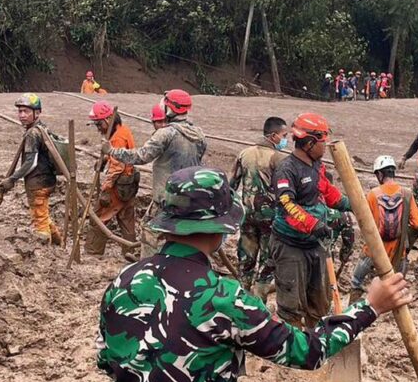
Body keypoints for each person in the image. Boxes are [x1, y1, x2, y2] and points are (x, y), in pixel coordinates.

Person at [97, 166, 412, 382]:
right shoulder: (222, 298)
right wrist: (371, 307)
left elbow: (107, 361)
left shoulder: (124, 282)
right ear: (221, 229)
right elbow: (307, 351)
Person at [270, 112, 353, 327]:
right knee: (291, 306)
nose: (325, 147)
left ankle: (317, 345)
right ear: (309, 143)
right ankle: (292, 352)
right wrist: (313, 224)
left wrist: (351, 203)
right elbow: (287, 205)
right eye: (322, 142)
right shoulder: (286, 169)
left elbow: (325, 190)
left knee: (320, 303)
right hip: (291, 245)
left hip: (315, 244)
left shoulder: (317, 165)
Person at [104, 89, 207, 255]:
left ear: (170, 109)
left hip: (167, 197)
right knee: (181, 236)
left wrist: (112, 151)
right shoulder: (200, 135)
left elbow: (141, 156)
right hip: (190, 197)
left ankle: (149, 267)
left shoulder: (165, 134)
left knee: (151, 232)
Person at [230, 116, 289, 298]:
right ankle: (258, 306)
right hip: (270, 219)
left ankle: (240, 302)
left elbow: (232, 185)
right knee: (267, 263)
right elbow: (285, 192)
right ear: (273, 136)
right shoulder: (279, 159)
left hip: (247, 215)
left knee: (245, 261)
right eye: (284, 135)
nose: (285, 139)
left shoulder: (244, 154)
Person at [349, 155, 418, 303]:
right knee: (398, 286)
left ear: (379, 174)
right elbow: (417, 223)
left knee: (356, 281)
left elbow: (363, 221)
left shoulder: (373, 194)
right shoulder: (406, 193)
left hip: (373, 249)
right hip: (398, 251)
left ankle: (352, 314)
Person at [0, 93, 63, 245]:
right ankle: (60, 244)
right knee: (44, 216)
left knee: (40, 223)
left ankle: (44, 254)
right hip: (48, 180)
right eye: (20, 111)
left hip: (38, 184)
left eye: (26, 111)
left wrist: (12, 179)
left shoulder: (33, 133)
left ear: (37, 113)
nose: (22, 115)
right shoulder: (42, 128)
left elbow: (30, 163)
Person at [85, 101, 139, 258]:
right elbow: (117, 156)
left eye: (99, 124)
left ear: (107, 120)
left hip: (118, 184)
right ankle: (130, 252)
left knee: (99, 217)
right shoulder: (123, 131)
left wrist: (106, 189)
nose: (98, 128)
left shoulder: (117, 138)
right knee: (127, 219)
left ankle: (93, 252)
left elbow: (117, 167)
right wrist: (104, 160)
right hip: (129, 183)